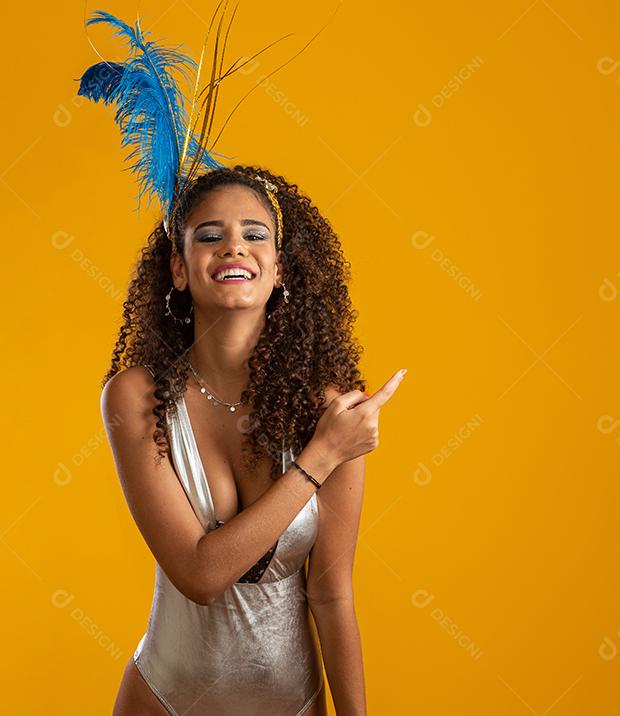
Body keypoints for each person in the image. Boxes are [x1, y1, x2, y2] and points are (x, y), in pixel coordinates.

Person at [99, 164, 406, 715]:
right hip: (162, 702)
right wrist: (322, 456)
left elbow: (331, 593)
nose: (233, 248)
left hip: (292, 704)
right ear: (178, 267)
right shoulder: (136, 397)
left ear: (280, 268)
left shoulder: (326, 407)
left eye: (254, 235)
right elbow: (201, 575)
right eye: (210, 236)